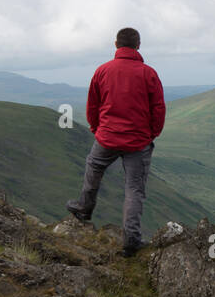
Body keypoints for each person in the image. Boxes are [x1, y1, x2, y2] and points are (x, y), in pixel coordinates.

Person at [66, 27, 166, 256]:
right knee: (134, 189)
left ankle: (83, 208)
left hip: (107, 137)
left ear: (116, 44)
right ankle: (131, 240)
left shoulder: (102, 71)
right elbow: (158, 108)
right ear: (138, 45)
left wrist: (97, 129)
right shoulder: (148, 73)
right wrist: (152, 134)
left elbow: (92, 105)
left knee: (94, 168)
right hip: (138, 142)